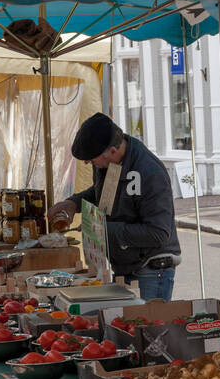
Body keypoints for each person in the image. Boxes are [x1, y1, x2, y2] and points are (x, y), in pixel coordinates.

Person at [48, 113, 181, 301]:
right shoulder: (106, 163)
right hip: (125, 265)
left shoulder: (149, 172)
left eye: (91, 159)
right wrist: (73, 203)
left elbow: (158, 232)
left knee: (149, 328)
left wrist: (101, 230)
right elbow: (101, 193)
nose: (88, 163)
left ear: (112, 151)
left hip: (151, 269)